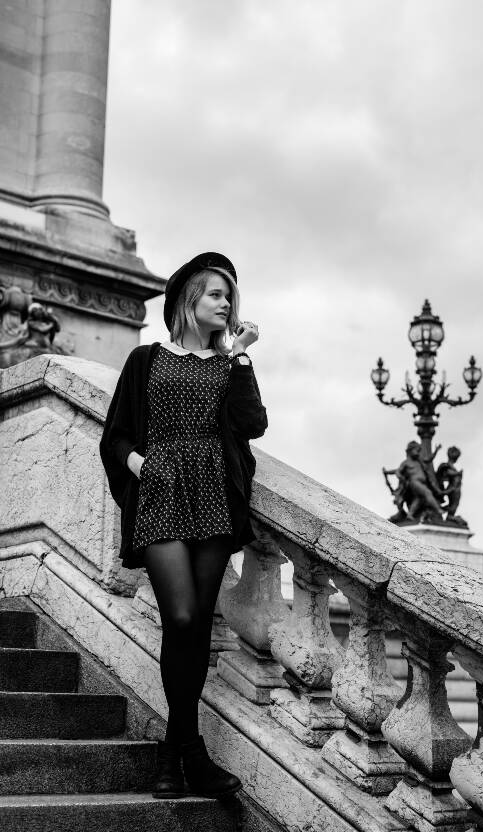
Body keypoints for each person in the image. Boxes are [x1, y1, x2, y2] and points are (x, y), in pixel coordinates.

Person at [99, 252, 267, 800]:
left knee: (193, 629)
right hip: (162, 494)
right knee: (182, 613)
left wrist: (240, 359)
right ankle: (190, 750)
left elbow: (253, 424)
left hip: (215, 498)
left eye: (229, 297)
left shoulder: (228, 364)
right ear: (188, 299)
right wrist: (141, 466)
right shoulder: (146, 358)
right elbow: (116, 434)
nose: (225, 304)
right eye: (216, 294)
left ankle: (175, 752)